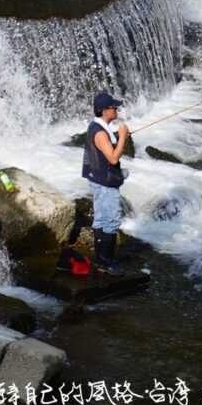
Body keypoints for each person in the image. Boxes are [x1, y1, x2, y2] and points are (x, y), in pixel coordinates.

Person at [82, 91, 130, 275]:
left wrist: (118, 135)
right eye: (113, 107)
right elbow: (112, 158)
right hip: (105, 183)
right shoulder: (100, 133)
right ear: (103, 110)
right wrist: (124, 137)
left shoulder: (98, 127)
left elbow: (105, 149)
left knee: (101, 218)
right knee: (110, 220)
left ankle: (101, 259)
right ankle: (107, 261)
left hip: (98, 179)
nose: (116, 109)